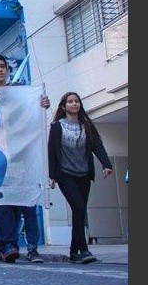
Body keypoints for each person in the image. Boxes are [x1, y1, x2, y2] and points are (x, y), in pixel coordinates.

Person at [0, 53, 50, 263]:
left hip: (22, 156)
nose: (0, 70)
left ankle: (32, 247)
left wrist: (40, 106)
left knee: (28, 201)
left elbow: (30, 117)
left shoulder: (21, 94)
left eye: (3, 66)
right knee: (2, 203)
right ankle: (8, 245)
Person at [48, 92, 113, 265]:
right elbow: (52, 151)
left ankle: (73, 252)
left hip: (84, 174)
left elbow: (97, 146)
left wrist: (107, 164)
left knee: (80, 210)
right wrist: (53, 175)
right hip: (65, 175)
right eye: (70, 102)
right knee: (78, 207)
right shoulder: (57, 126)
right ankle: (83, 250)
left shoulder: (87, 125)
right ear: (64, 106)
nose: (74, 104)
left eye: (77, 101)